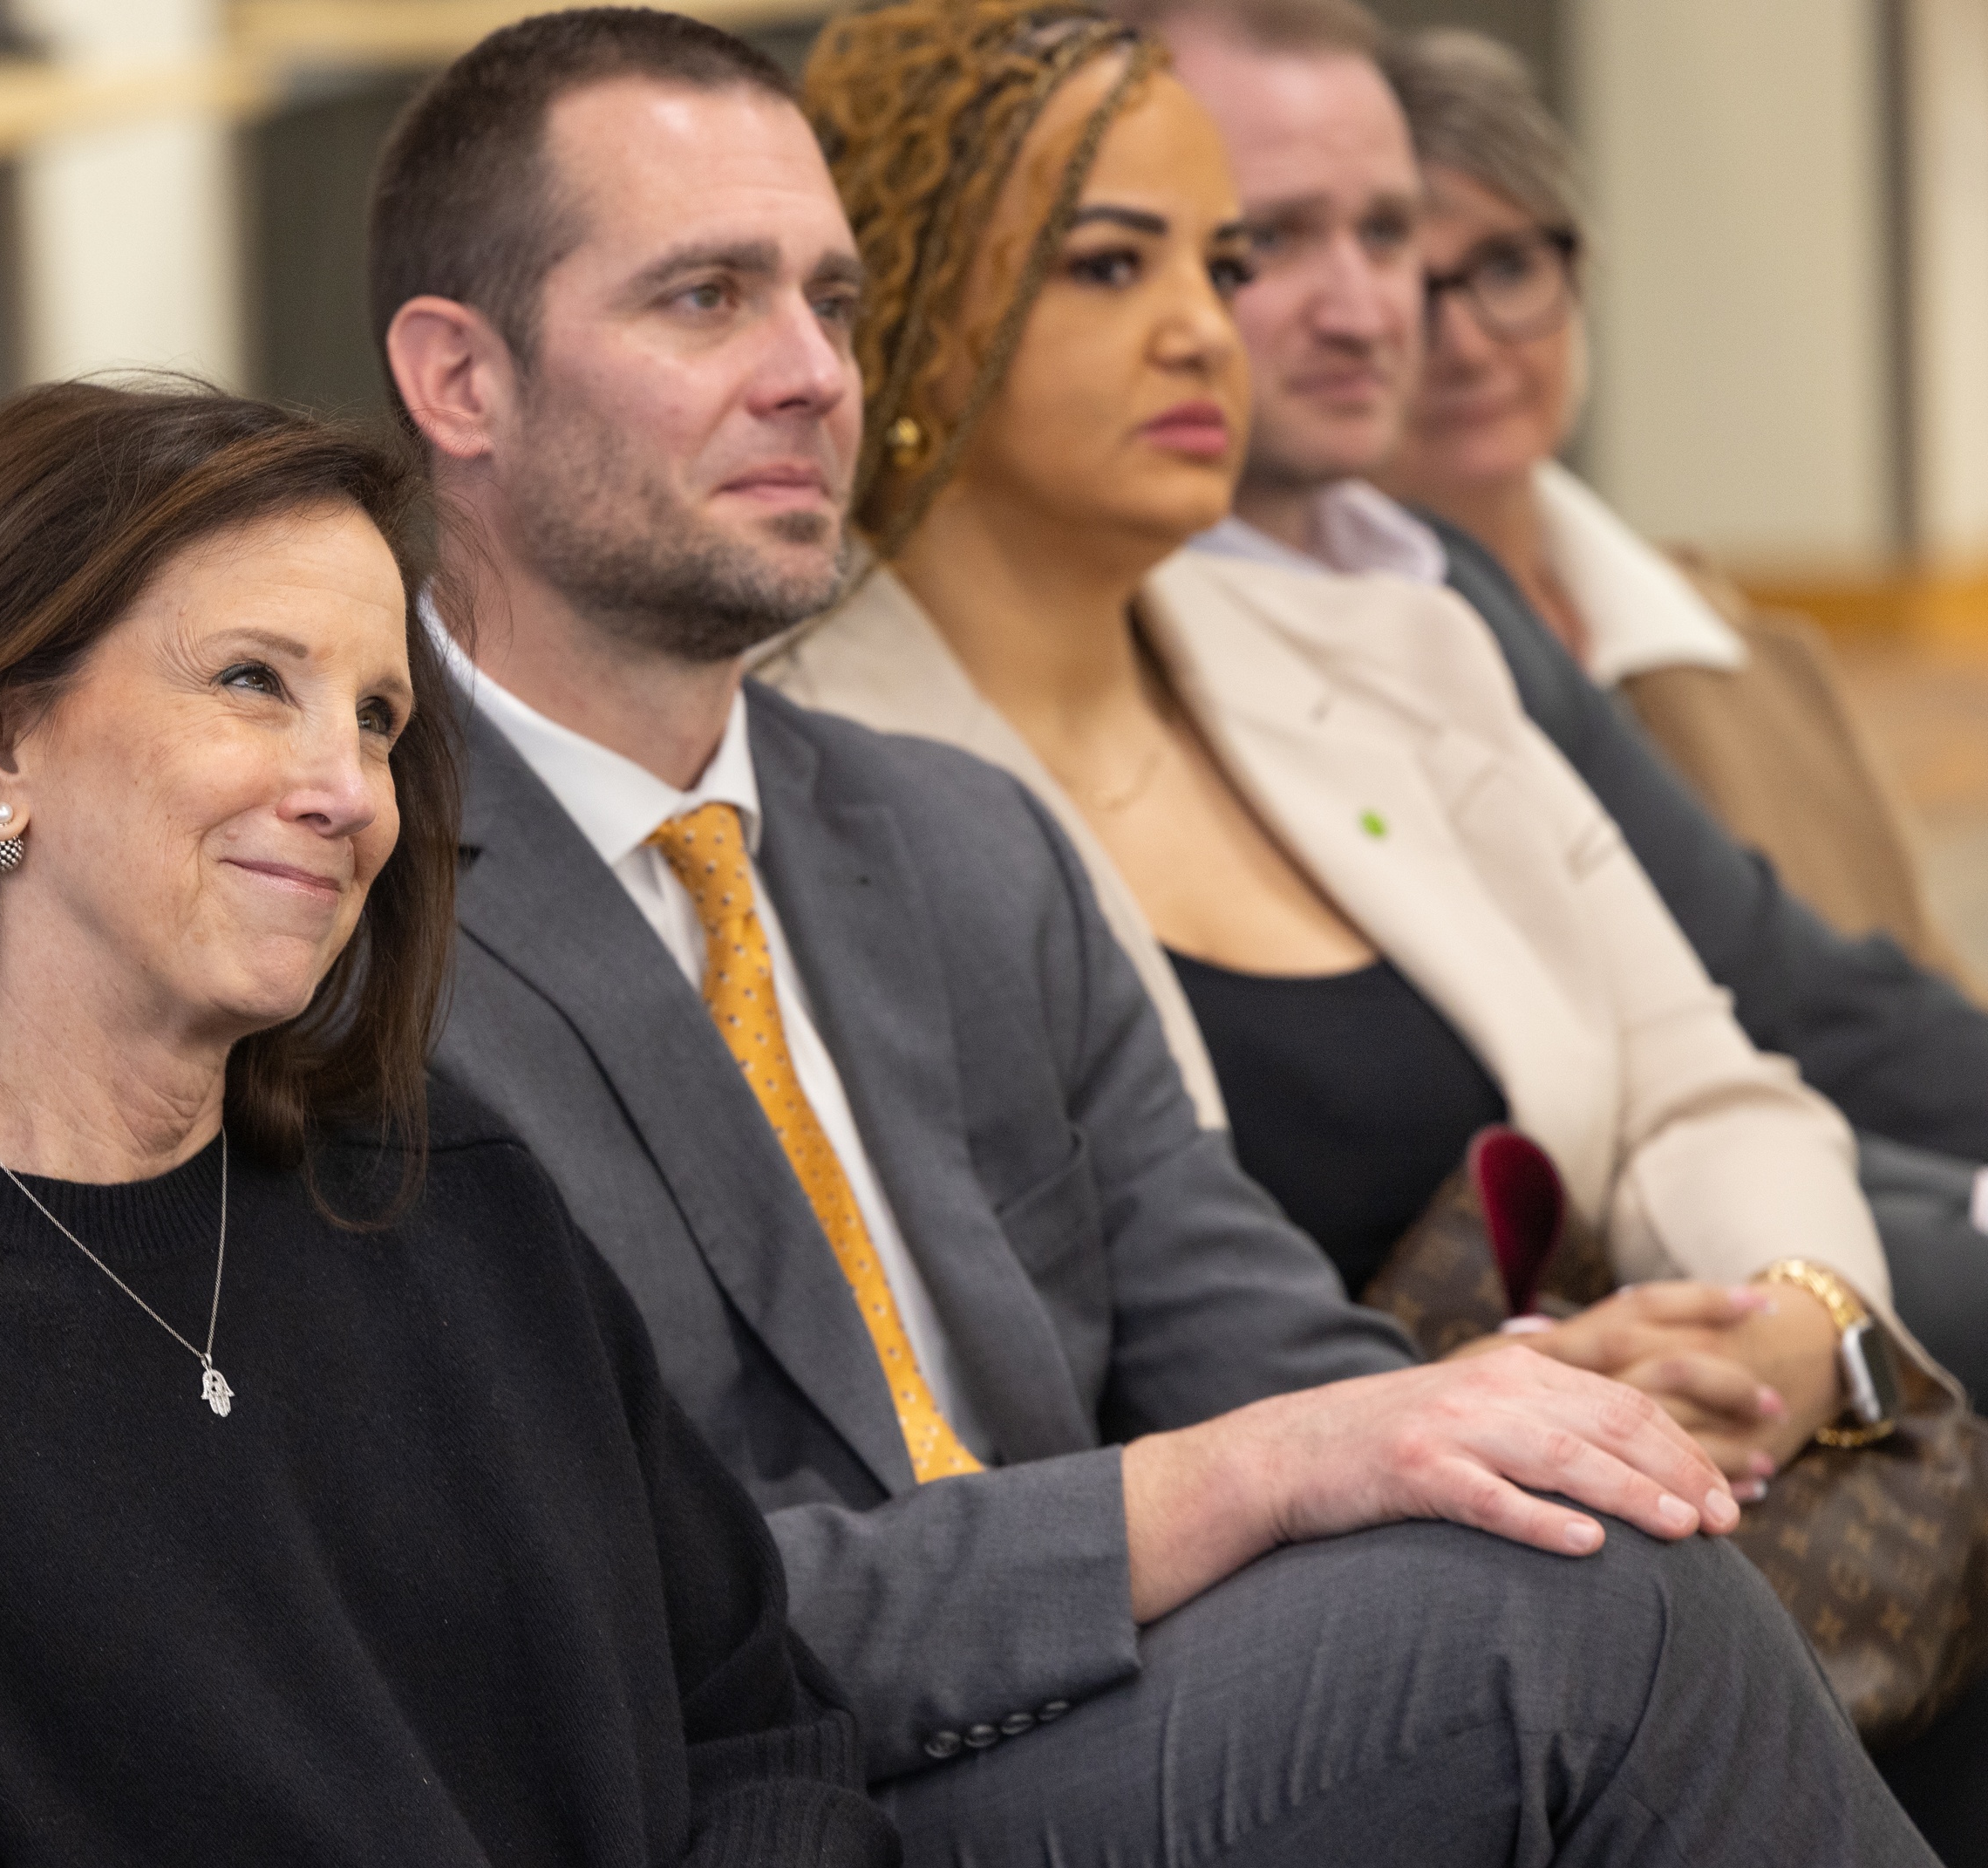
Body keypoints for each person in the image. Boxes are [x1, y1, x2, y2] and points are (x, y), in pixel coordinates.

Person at [379, 8, 1988, 1868]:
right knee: (1574, 1605)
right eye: (701, 298)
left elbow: (1277, 1354)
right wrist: (1272, 1478)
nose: (807, 370)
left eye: (829, 300)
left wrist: (1478, 1430)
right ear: (457, 381)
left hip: (1170, 1783)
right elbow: (657, 1638)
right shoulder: (353, 928)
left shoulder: (950, 842)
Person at [0, 370, 1345, 1868]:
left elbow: (765, 1733)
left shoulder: (432, 1182)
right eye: (250, 683)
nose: (342, 790)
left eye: (377, 717)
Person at [754, 8, 1900, 1503]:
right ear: (898, 307)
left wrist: (1800, 1318)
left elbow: (1704, 1086)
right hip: (1280, 1571)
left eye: (1217, 266)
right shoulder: (794, 781)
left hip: (1653, 1475)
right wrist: (1470, 1418)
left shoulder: (1393, 654)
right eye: (1109, 263)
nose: (1198, 329)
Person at [1109, 0, 1988, 1396]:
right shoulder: (1085, 669)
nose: (1384, 315)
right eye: (1261, 243)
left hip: (1690, 1270)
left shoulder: (1431, 598)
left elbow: (1740, 1031)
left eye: (1390, 234)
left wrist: (1804, 1301)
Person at [1373, 27, 1969, 984]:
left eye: (1508, 268)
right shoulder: (1304, 677)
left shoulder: (1729, 643)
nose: (1470, 346)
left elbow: (1926, 997)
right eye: (1407, 294)